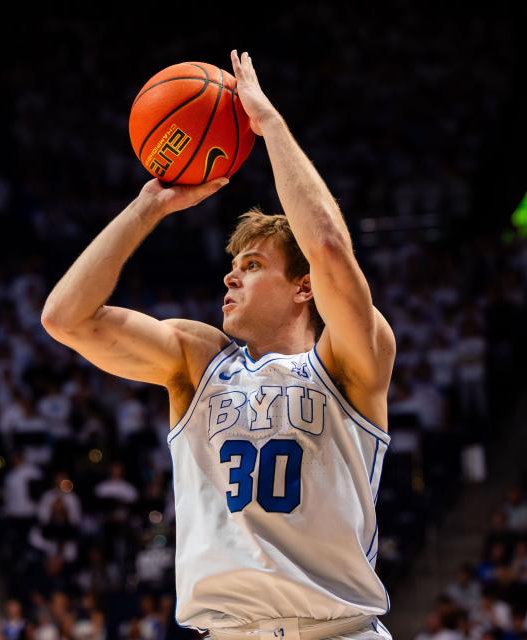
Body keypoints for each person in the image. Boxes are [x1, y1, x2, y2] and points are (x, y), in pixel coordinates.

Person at [41, 49, 396, 639]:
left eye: (252, 264)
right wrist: (148, 205)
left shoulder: (348, 363)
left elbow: (330, 246)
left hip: (338, 630)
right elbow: (65, 318)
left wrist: (269, 126)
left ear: (302, 286)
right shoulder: (197, 360)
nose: (230, 277)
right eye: (232, 265)